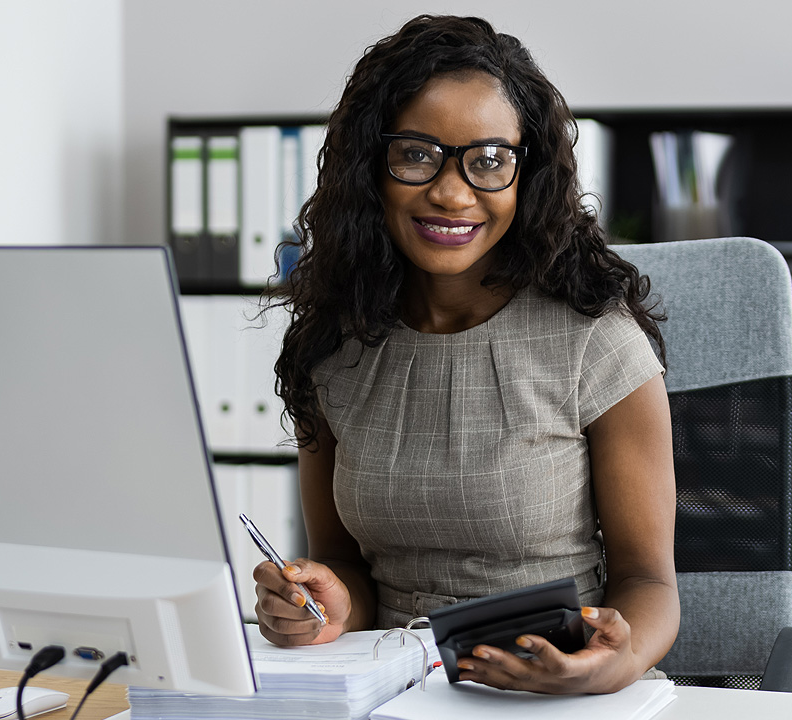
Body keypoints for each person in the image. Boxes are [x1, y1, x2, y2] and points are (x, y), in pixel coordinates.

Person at [255, 14, 678, 695]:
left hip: (550, 690)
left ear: (526, 174)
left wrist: (611, 665)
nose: (452, 192)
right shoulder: (334, 345)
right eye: (417, 154)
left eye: (488, 161)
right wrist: (326, 604)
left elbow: (648, 581)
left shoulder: (595, 341)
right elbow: (343, 565)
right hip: (384, 693)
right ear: (372, 166)